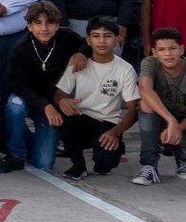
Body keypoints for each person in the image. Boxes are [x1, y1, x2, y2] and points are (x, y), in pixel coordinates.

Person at [0, 0, 86, 173]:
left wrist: (81, 52)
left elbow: (86, 43)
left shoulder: (66, 37)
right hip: (27, 99)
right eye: (38, 23)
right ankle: (15, 154)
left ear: (57, 25)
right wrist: (45, 105)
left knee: (44, 163)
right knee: (14, 105)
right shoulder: (21, 48)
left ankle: (27, 138)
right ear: (29, 26)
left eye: (50, 23)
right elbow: (17, 85)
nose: (44, 28)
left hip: (51, 101)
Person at [55, 16, 140, 180]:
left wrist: (116, 132)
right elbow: (59, 94)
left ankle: (113, 148)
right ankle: (78, 165)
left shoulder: (125, 69)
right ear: (88, 40)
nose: (102, 41)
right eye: (96, 36)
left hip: (107, 122)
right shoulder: (78, 62)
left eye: (107, 36)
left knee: (104, 165)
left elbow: (133, 109)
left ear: (117, 39)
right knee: (65, 114)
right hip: (81, 117)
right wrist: (63, 100)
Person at [133, 27, 186, 185]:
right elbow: (144, 89)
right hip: (161, 118)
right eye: (162, 49)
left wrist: (176, 128)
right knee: (145, 103)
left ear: (181, 49)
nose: (168, 54)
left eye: (172, 48)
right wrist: (170, 121)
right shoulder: (149, 63)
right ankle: (149, 164)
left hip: (185, 120)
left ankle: (184, 159)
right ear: (155, 52)